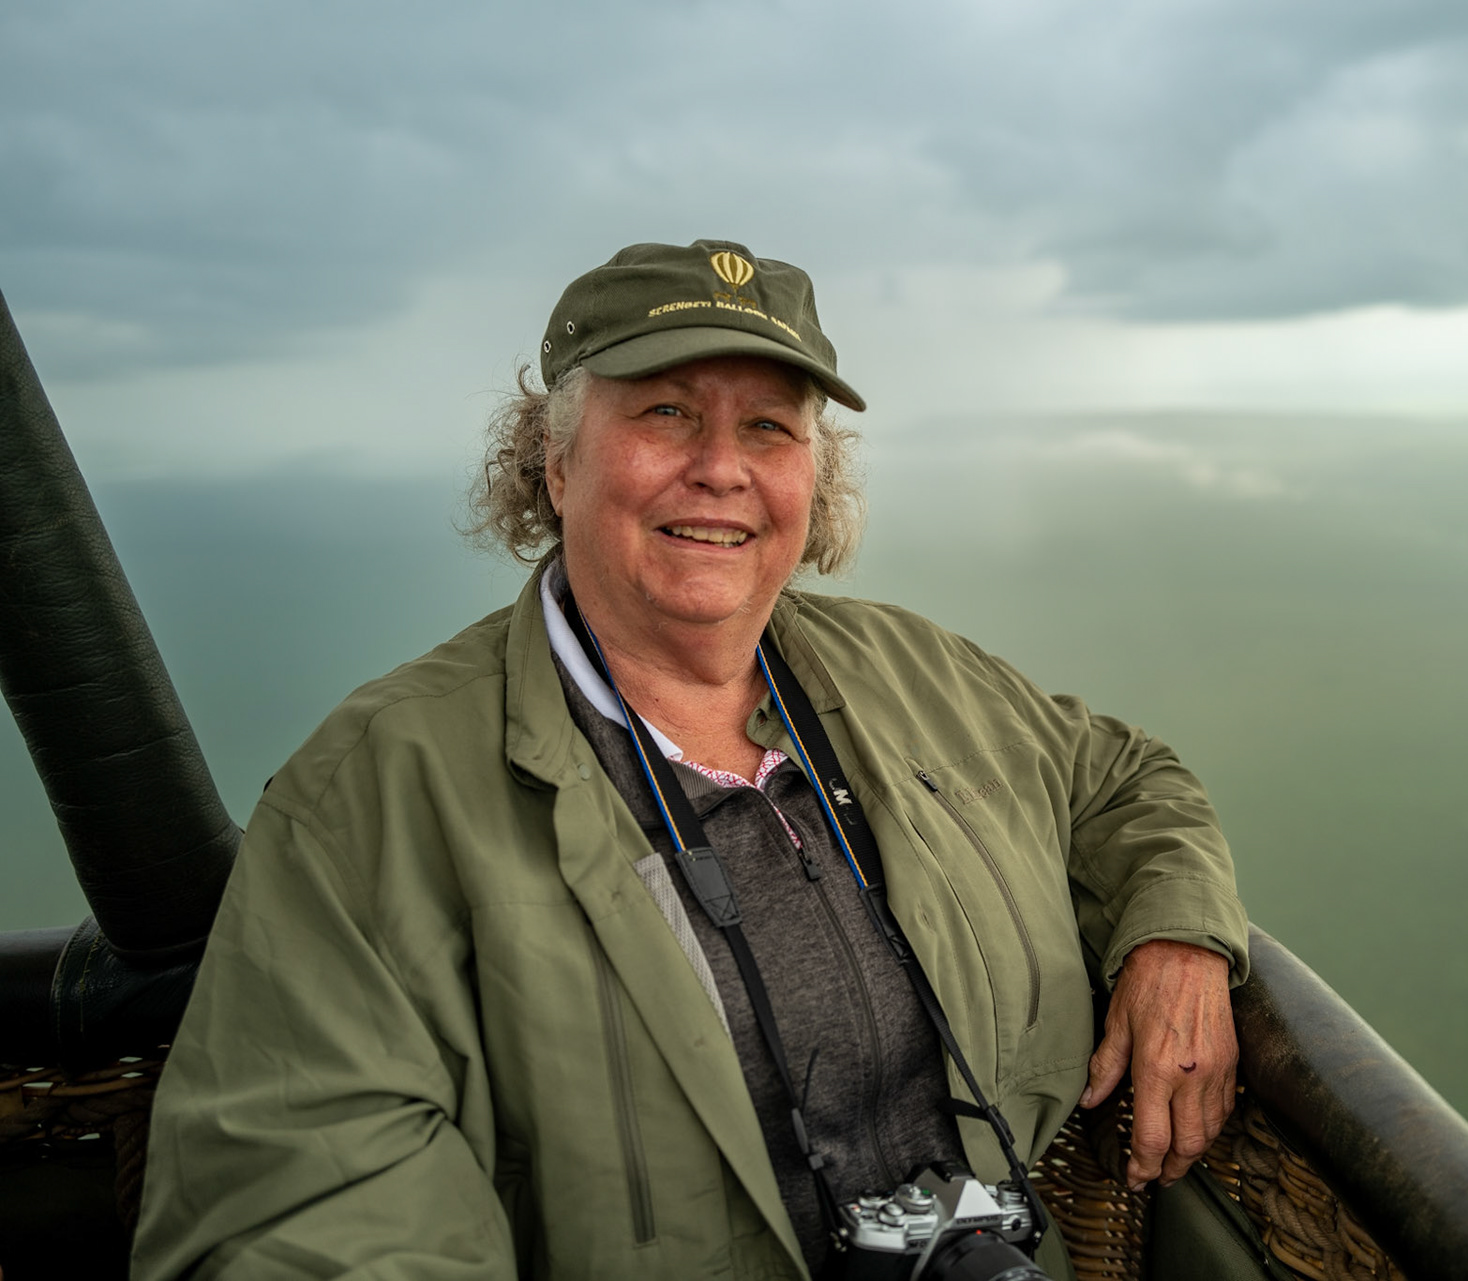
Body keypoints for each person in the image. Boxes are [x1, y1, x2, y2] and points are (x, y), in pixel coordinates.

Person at [131, 240, 1247, 1281]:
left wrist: (1176, 939)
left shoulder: (909, 668)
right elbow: (304, 1204)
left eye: (769, 427)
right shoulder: (373, 787)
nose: (722, 469)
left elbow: (1122, 778)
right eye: (667, 414)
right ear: (555, 461)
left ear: (814, 480)